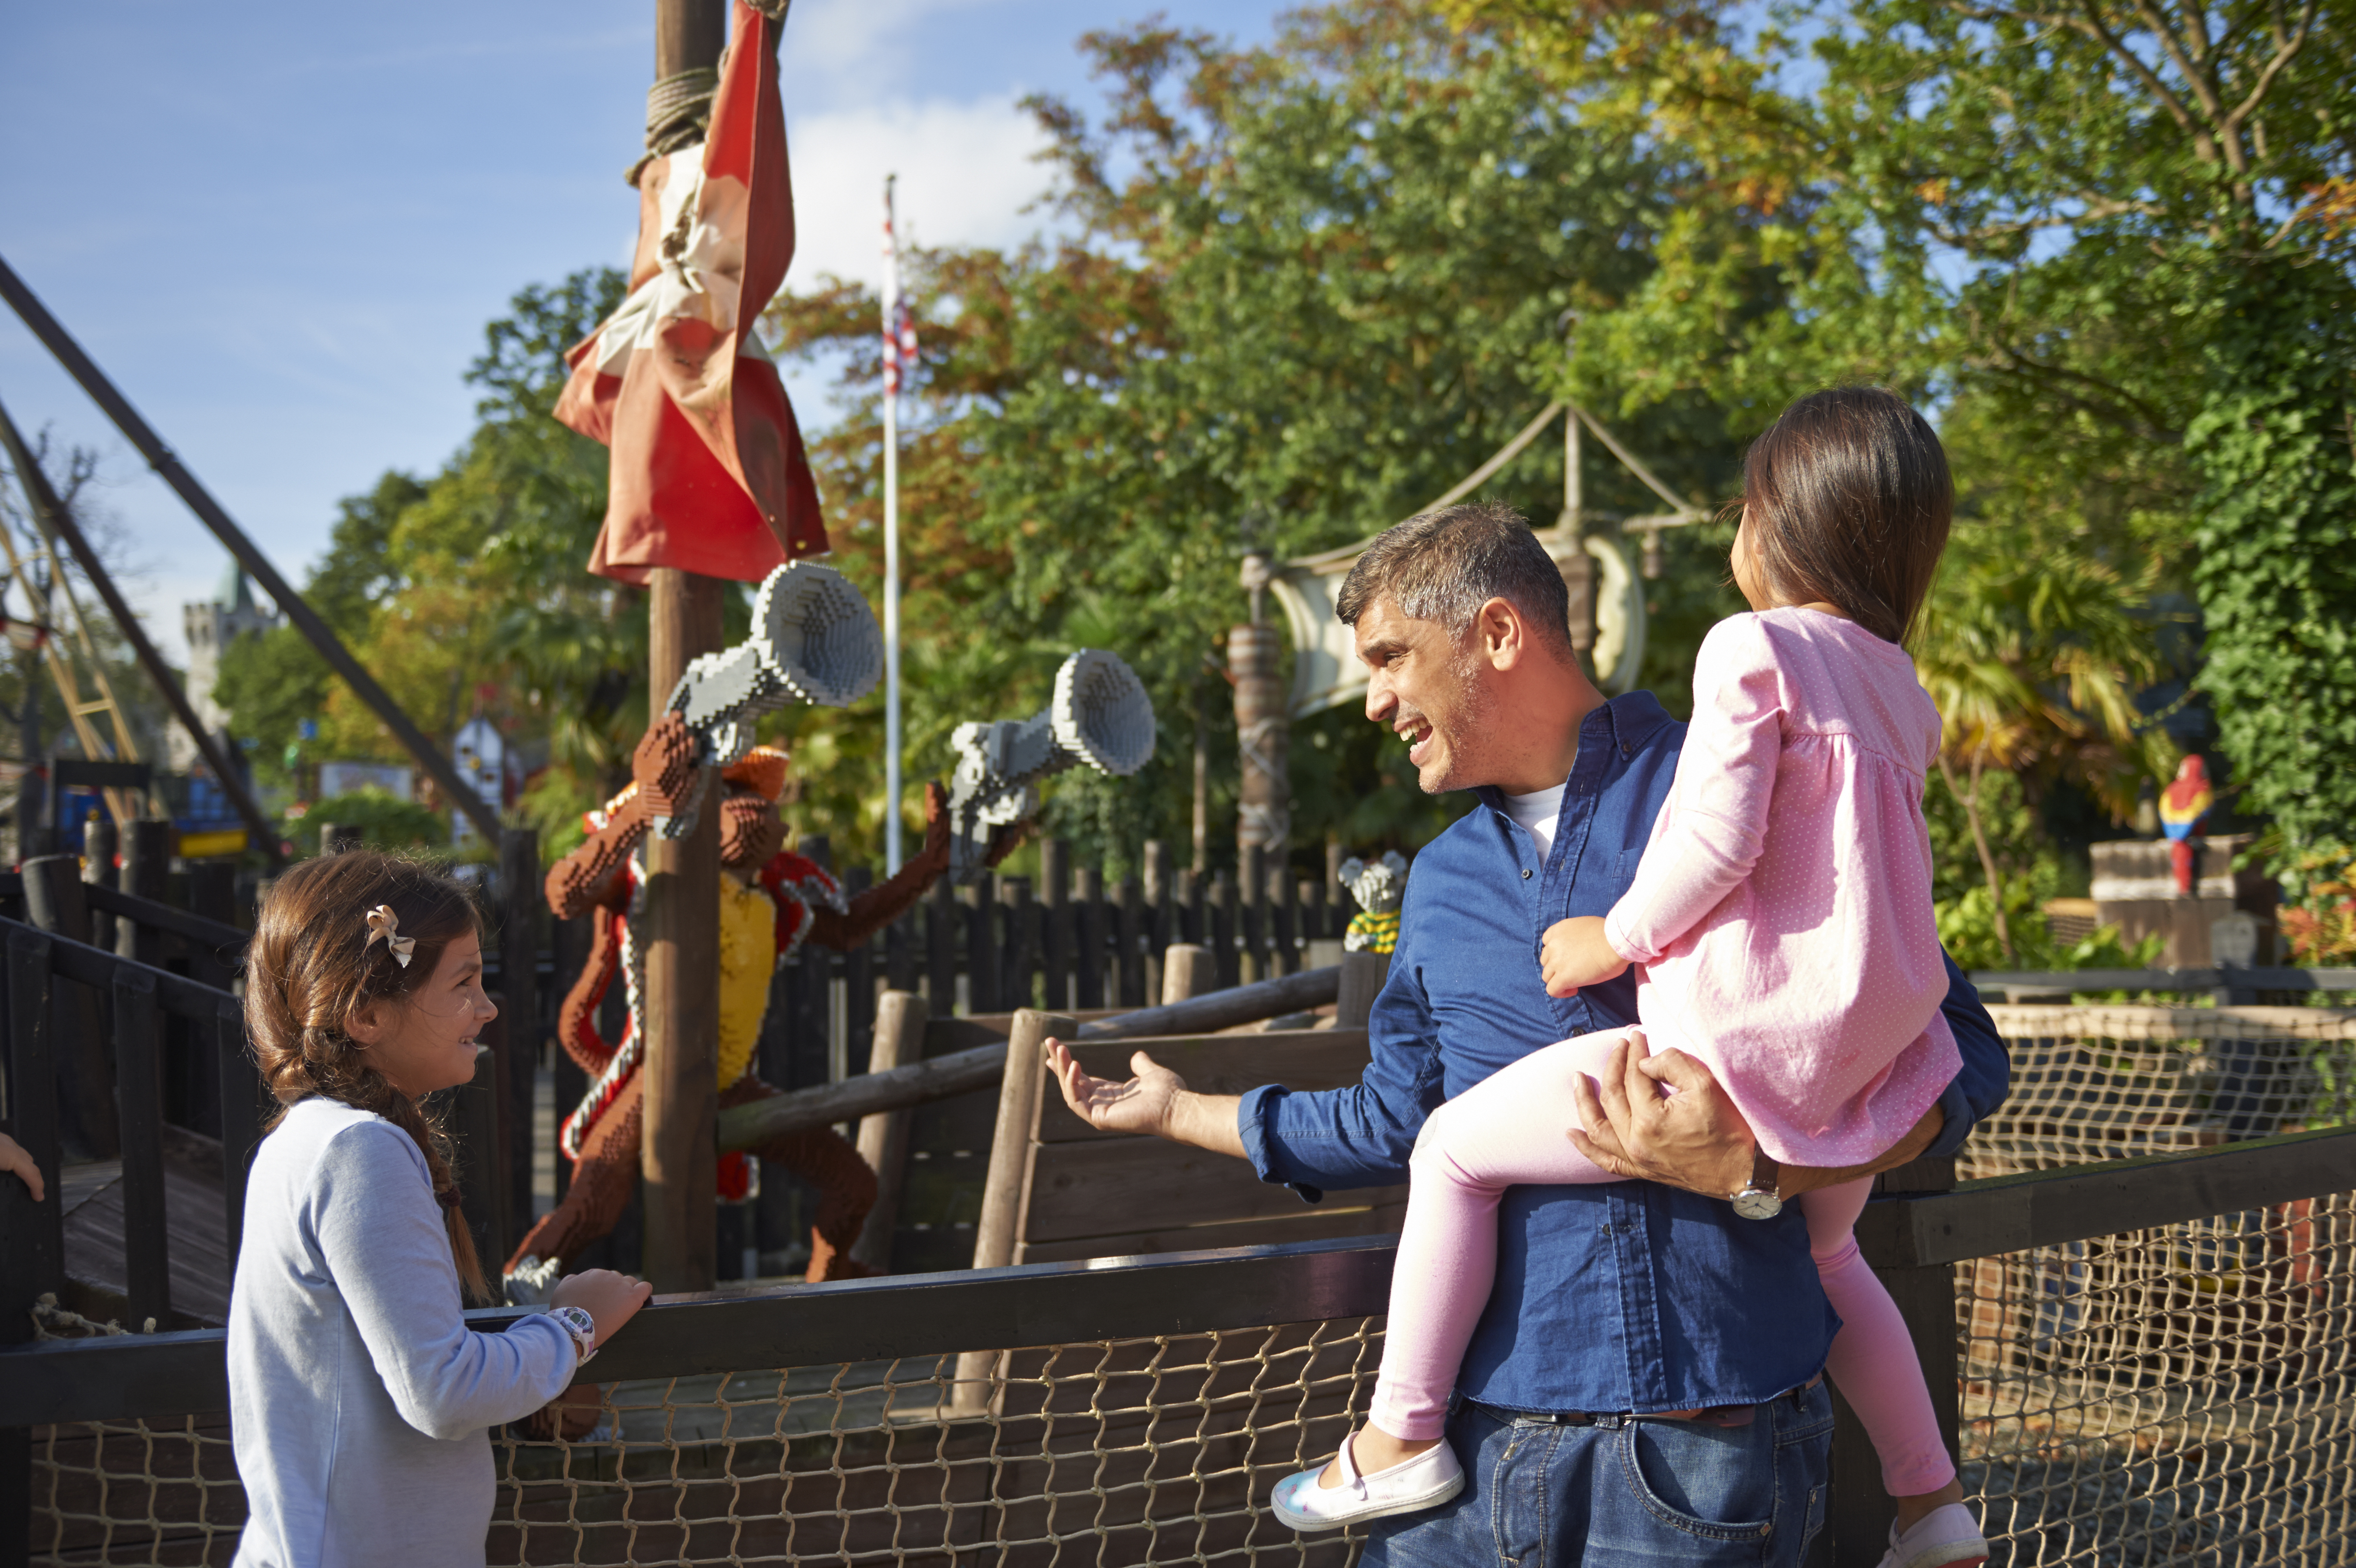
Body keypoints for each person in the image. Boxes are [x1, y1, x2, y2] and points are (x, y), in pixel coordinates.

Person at [1050, 484, 2011, 1568]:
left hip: (1700, 1459)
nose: (1372, 700)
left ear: (1496, 633)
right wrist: (1185, 1110)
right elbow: (1393, 1120)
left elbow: (1959, 1052)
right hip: (1461, 1475)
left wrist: (1763, 1169)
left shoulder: (1745, 772)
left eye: (1389, 656)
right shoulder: (1439, 879)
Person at [228, 851, 652, 1568]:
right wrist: (574, 1326)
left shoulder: (303, 1139)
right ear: (366, 1012)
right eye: (464, 982)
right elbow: (443, 1389)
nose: (487, 1007)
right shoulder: (359, 1151)